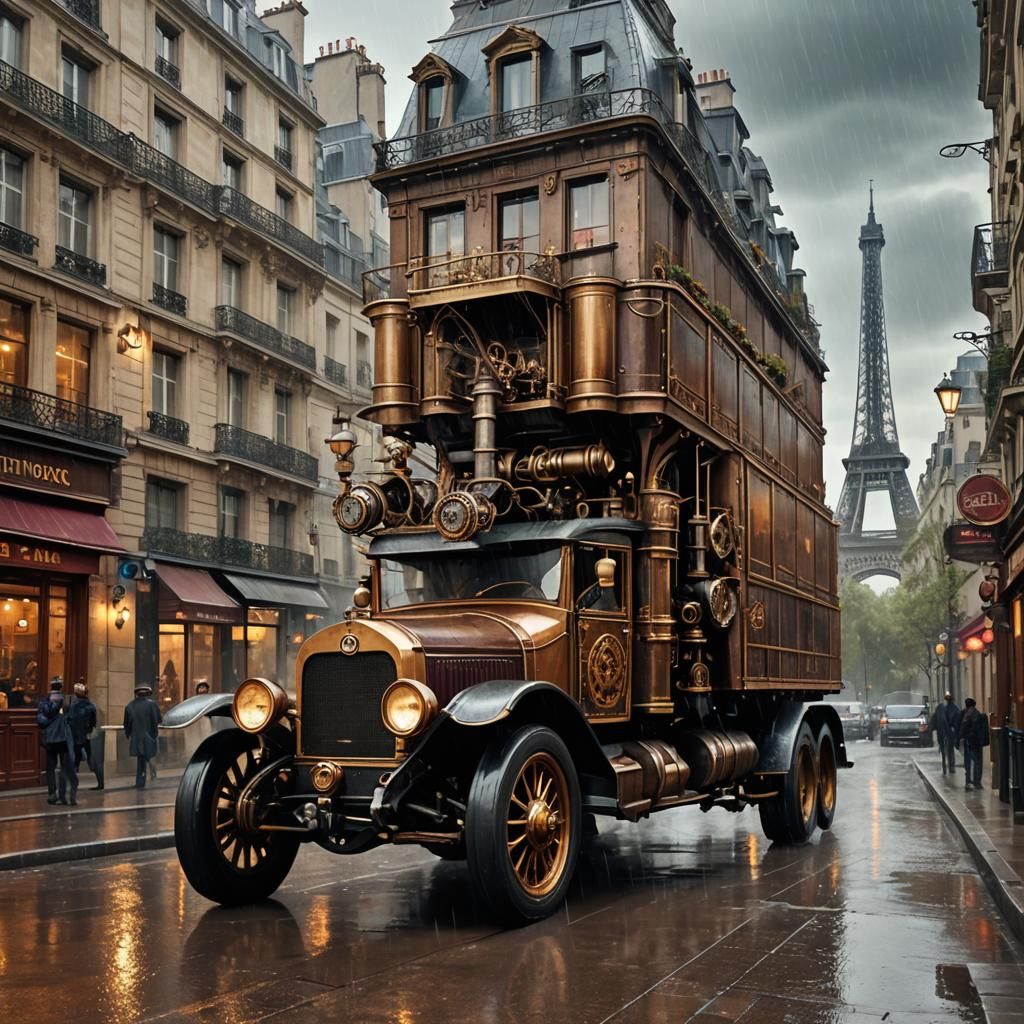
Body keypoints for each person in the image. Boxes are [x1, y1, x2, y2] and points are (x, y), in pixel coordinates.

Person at [37, 677, 77, 805]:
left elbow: (41, 720)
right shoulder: (67, 700)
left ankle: (52, 794)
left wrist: (49, 723)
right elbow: (72, 719)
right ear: (61, 687)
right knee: (65, 766)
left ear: (51, 687)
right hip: (63, 738)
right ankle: (63, 795)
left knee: (50, 767)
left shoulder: (44, 702)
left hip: (50, 738)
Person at [123, 684, 162, 790]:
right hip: (150, 736)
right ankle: (150, 776)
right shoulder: (152, 705)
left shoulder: (129, 706)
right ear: (147, 694)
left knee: (141, 760)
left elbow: (126, 724)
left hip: (136, 737)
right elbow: (158, 720)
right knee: (149, 756)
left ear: (136, 694)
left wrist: (129, 734)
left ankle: (140, 781)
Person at [69, 680, 102, 790]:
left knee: (75, 760)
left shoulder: (74, 706)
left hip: (76, 736)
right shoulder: (91, 705)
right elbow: (94, 721)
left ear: (76, 694)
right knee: (92, 758)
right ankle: (100, 782)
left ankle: (73, 784)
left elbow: (71, 721)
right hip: (88, 735)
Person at [958, 696, 990, 791]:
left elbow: (962, 729)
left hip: (969, 742)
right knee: (977, 762)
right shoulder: (977, 713)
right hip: (976, 742)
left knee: (969, 763)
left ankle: (969, 782)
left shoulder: (967, 714)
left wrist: (961, 737)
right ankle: (977, 783)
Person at [930, 692, 962, 775]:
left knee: (945, 750)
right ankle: (950, 766)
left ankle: (946, 765)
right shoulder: (954, 708)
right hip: (948, 732)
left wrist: (932, 727)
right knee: (949, 749)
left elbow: (934, 719)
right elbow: (958, 720)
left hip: (943, 732)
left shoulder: (940, 708)